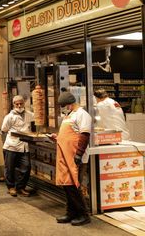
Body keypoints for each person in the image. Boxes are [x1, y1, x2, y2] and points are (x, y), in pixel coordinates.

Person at [50, 91, 91, 226]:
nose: (64, 108)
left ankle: (84, 214)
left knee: (74, 186)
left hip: (76, 157)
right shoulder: (70, 115)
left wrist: (79, 154)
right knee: (67, 185)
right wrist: (58, 137)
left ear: (70, 104)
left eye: (65, 105)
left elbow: (84, 135)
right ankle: (71, 212)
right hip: (66, 156)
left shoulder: (82, 114)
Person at [1, 95, 34, 197]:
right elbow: (4, 129)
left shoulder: (30, 115)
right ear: (13, 104)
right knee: (9, 168)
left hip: (24, 146)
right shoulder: (9, 117)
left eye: (21, 103)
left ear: (24, 103)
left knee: (26, 167)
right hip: (11, 146)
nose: (19, 105)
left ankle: (20, 187)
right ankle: (11, 187)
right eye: (17, 104)